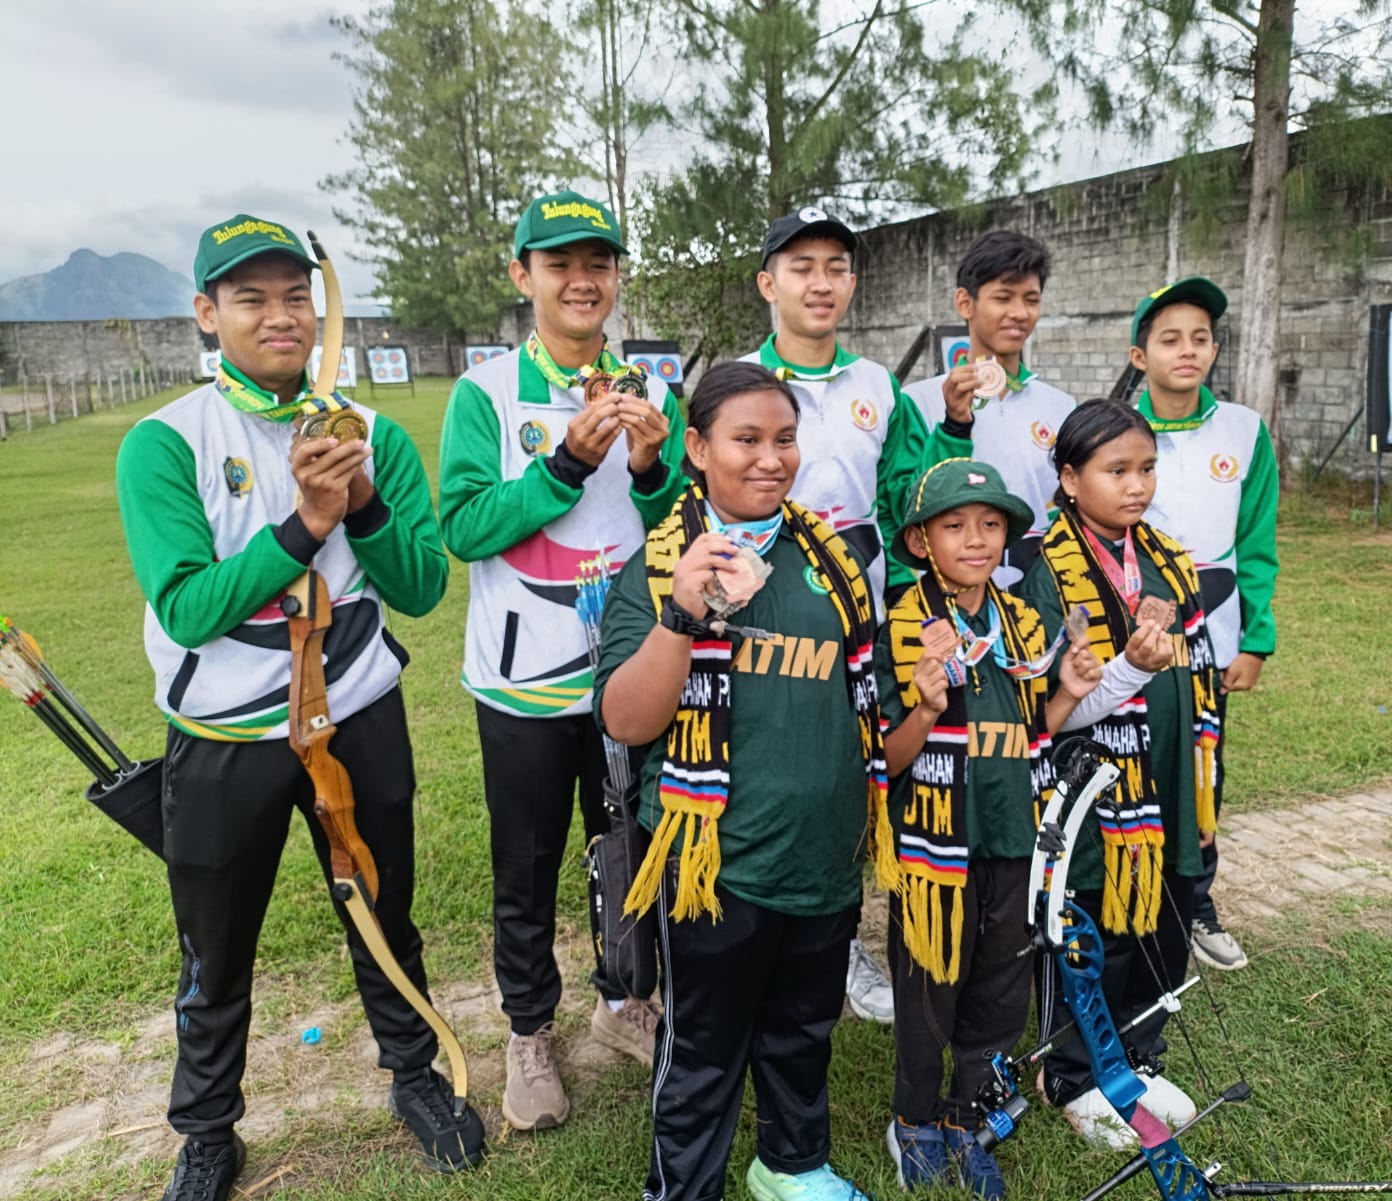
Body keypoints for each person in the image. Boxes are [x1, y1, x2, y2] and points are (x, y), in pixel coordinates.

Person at [116, 215, 483, 1201]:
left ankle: (414, 1074)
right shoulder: (165, 443)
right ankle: (206, 1131)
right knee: (215, 942)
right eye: (251, 298)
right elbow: (188, 608)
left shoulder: (374, 433)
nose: (279, 316)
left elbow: (419, 587)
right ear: (208, 313)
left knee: (382, 909)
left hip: (357, 711)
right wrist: (305, 523)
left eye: (295, 296)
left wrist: (361, 501)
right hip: (223, 733)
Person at [595, 361, 888, 1201]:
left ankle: (791, 1163)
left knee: (803, 1027)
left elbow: (864, 700)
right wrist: (680, 615)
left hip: (821, 856)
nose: (771, 458)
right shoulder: (662, 563)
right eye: (747, 439)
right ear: (696, 447)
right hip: (713, 864)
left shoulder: (830, 558)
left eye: (785, 438)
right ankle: (683, 1188)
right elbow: (625, 720)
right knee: (704, 1045)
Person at [437, 189, 684, 1131]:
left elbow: (673, 525)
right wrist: (567, 463)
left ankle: (624, 999)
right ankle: (528, 1031)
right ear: (523, 275)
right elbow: (466, 526)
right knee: (529, 861)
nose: (583, 280)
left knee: (630, 843)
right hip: (524, 678)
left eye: (599, 263)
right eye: (560, 264)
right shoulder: (487, 393)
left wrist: (652, 469)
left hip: (627, 670)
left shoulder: (649, 390)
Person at [742, 205, 972, 1023]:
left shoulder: (877, 385)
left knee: (853, 774)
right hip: (762, 627)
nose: (821, 283)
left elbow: (909, 499)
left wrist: (955, 428)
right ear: (768, 283)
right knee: (775, 779)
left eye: (836, 267)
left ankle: (838, 941)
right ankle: (751, 936)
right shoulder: (739, 381)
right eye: (801, 267)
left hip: (858, 626)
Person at [877, 458, 1103, 1197]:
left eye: (991, 524)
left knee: (1002, 991)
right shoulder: (903, 626)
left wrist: (1067, 694)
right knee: (929, 987)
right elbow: (884, 755)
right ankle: (913, 1118)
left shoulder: (1021, 623)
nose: (975, 539)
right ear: (920, 541)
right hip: (938, 844)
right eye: (955, 525)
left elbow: (1033, 732)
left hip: (1013, 834)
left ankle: (966, 1117)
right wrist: (925, 707)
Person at [1017, 399, 1221, 1150]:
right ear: (1070, 479)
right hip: (1091, 785)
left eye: (1146, 469)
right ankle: (1074, 1072)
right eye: (1116, 471)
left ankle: (1139, 1054)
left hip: (1164, 773)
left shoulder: (1166, 557)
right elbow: (1052, 705)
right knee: (1096, 922)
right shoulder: (1048, 573)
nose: (1137, 485)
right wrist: (1131, 666)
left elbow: (1199, 668)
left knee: (1165, 916)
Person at [1126, 278, 1279, 971]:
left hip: (1211, 637)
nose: (1187, 350)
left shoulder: (1243, 430)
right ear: (1140, 356)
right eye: (1169, 339)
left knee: (1201, 769)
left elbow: (1256, 543)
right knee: (1133, 760)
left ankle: (1194, 904)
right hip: (1133, 634)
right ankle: (1127, 899)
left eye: (1200, 338)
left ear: (1216, 349)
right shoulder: (1114, 428)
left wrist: (1254, 638)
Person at [904, 231, 1076, 587]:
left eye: (1031, 300)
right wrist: (953, 425)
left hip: (1043, 594)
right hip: (953, 599)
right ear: (965, 303)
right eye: (1003, 298)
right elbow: (908, 505)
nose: (1020, 313)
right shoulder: (918, 401)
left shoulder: (1061, 406)